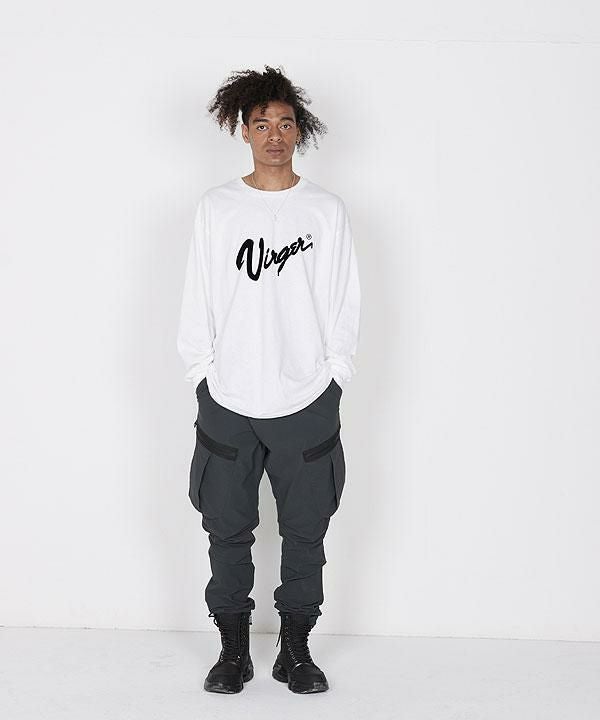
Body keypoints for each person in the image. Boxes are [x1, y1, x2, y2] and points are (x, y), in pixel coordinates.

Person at [176, 64, 361, 695]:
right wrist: (202, 374)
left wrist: (334, 377)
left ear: (299, 130)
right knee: (226, 529)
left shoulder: (326, 211)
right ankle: (233, 650)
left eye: (285, 124)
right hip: (228, 397)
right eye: (262, 125)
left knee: (306, 531)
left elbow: (344, 300)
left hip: (307, 397)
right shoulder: (217, 208)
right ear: (244, 131)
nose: (274, 135)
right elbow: (198, 295)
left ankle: (295, 649)